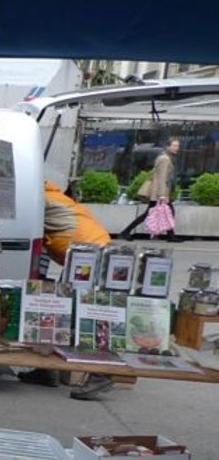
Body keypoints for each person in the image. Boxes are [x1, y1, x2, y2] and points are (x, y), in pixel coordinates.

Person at [25, 180, 115, 400]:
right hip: (87, 252)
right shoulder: (53, 196)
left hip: (88, 255)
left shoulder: (39, 199)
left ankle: (101, 374)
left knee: (88, 317)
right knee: (61, 313)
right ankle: (47, 370)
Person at [120, 137, 179, 240]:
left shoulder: (166, 158)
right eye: (174, 145)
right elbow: (162, 177)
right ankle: (125, 232)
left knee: (162, 211)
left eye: (177, 146)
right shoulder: (164, 159)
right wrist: (161, 195)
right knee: (163, 211)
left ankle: (171, 235)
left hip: (161, 192)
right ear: (168, 146)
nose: (177, 148)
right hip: (159, 192)